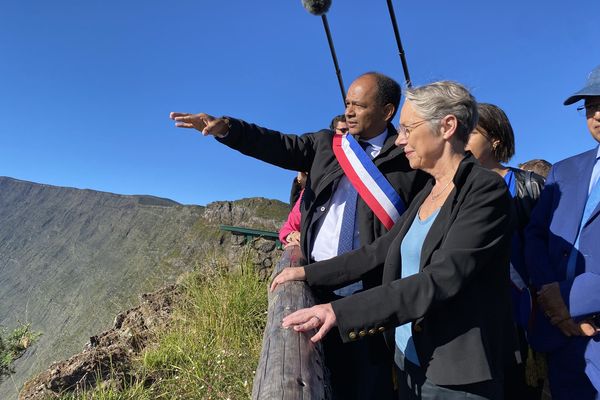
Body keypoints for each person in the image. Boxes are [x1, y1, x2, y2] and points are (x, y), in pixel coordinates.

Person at [170, 72, 429, 400]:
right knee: (318, 375)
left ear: (387, 112)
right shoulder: (327, 144)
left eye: (359, 106)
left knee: (368, 383)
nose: (348, 112)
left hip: (370, 292)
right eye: (347, 103)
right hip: (317, 284)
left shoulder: (408, 160)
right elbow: (277, 144)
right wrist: (227, 128)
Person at [272, 81, 515, 399]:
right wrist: (305, 272)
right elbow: (378, 252)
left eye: (407, 129)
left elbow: (440, 279)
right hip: (409, 359)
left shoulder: (483, 190)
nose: (399, 140)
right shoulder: (429, 190)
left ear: (447, 126)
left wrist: (339, 313)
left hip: (454, 375)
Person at [525, 65, 600, 399]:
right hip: (562, 334)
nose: (597, 113)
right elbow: (535, 235)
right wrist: (550, 297)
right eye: (591, 105)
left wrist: (570, 300)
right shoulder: (564, 170)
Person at [466, 103, 546, 398]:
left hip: (523, 311)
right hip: (474, 315)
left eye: (471, 132)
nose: (461, 140)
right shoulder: (449, 191)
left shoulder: (530, 186)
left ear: (495, 140)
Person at [280, 116, 348, 247]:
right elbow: (289, 227)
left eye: (351, 132)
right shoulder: (311, 189)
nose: (347, 136)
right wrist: (291, 235)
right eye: (343, 131)